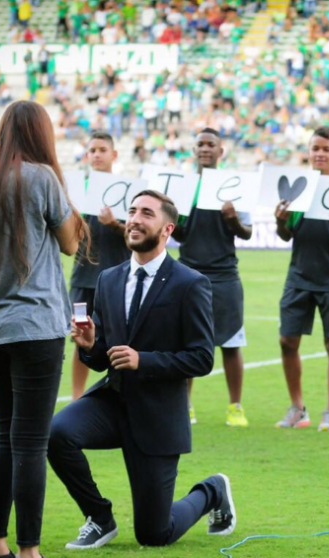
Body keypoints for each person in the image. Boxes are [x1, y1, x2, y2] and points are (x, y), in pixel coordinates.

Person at [48, 190, 236, 550]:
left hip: (158, 416)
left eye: (146, 213)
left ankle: (212, 491)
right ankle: (99, 518)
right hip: (114, 404)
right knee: (57, 433)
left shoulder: (190, 283)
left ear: (167, 229)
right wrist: (89, 347)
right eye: (132, 211)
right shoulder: (109, 279)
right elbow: (105, 356)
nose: (134, 218)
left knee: (154, 535)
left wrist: (143, 359)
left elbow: (201, 358)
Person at [0, 100, 88, 558]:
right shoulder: (41, 177)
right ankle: (30, 550)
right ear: (41, 135)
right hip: (34, 324)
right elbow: (71, 243)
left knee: (4, 434)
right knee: (30, 443)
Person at [274, 126, 329, 431]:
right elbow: (285, 235)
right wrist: (280, 220)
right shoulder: (300, 188)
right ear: (308, 152)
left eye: (326, 149)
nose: (320, 154)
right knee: (287, 341)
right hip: (298, 276)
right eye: (315, 149)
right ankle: (297, 408)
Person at [172, 128, 252, 427]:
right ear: (194, 150)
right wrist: (175, 218)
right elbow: (178, 234)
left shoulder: (234, 186)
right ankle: (185, 405)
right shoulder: (183, 187)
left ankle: (235, 407)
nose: (205, 149)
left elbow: (247, 232)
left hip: (225, 275)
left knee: (231, 343)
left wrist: (232, 218)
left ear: (221, 151)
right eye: (200, 144)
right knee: (185, 343)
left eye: (211, 144)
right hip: (188, 274)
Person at [69, 131, 131, 400]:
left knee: (122, 340)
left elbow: (137, 237)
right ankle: (76, 398)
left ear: (114, 154)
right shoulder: (76, 189)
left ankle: (123, 393)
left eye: (102, 149)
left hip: (118, 278)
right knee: (80, 339)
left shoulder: (127, 191)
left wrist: (115, 224)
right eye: (92, 150)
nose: (96, 154)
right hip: (83, 277)